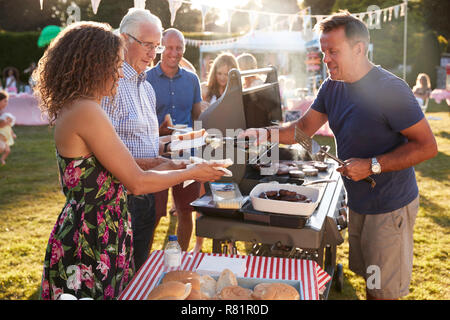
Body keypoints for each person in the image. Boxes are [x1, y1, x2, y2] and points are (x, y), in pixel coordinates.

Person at [241, 11, 437, 300]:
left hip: (389, 206)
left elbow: (427, 146)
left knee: (382, 292)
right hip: (359, 202)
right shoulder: (332, 86)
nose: (326, 59)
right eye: (323, 52)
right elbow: (304, 130)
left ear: (359, 49)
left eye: (333, 51)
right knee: (372, 279)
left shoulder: (391, 89)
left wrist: (372, 165)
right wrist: (263, 134)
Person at [32, 21, 225, 300]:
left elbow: (114, 164)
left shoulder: (80, 106)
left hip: (94, 231)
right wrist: (193, 171)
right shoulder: (87, 110)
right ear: (95, 65)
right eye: (116, 65)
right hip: (91, 238)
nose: (119, 73)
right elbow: (136, 182)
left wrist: (170, 164)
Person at [101, 9, 180, 271]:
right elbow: (101, 155)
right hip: (117, 200)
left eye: (156, 47)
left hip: (146, 195)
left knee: (138, 271)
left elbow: (144, 141)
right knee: (116, 276)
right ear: (123, 40)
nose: (152, 53)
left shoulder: (146, 87)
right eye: (147, 45)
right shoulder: (108, 85)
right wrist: (157, 162)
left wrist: (175, 148)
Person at [147, 28, 204, 252]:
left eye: (178, 48)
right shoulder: (147, 79)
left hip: (187, 154)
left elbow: (198, 116)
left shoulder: (192, 80)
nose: (174, 52)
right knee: (154, 214)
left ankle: (180, 260)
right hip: (156, 155)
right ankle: (142, 262)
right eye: (169, 47)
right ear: (161, 48)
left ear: (183, 49)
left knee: (186, 211)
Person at [0, 90, 16, 165]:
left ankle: (2, 159)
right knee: (1, 147)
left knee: (5, 149)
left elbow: (8, 127)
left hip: (4, 137)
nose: (6, 103)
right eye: (5, 101)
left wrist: (12, 133)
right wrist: (5, 123)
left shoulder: (2, 113)